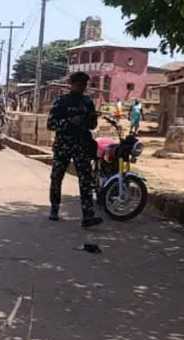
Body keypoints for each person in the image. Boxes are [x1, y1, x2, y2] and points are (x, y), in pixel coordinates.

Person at [47, 71, 102, 228]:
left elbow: (92, 126)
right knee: (57, 177)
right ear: (71, 84)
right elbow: (51, 124)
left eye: (84, 85)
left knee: (86, 180)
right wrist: (70, 121)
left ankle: (88, 215)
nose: (82, 87)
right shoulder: (61, 101)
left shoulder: (87, 102)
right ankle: (54, 208)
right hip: (63, 145)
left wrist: (91, 118)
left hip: (82, 145)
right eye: (79, 84)